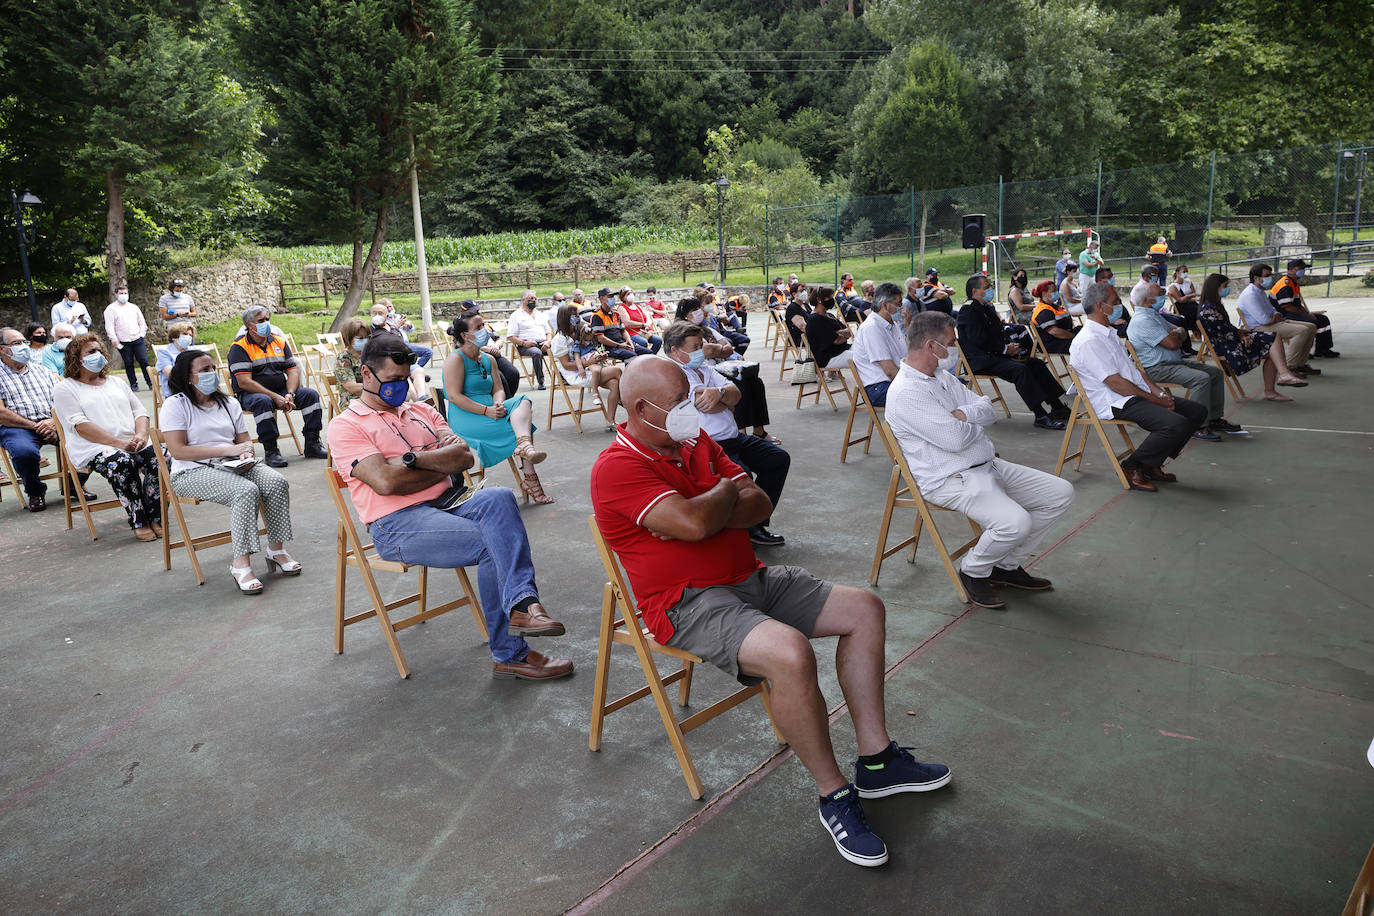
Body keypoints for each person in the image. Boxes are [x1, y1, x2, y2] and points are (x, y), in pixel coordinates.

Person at [591, 356, 951, 868]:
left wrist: (705, 506)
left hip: (751, 579)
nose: (690, 410)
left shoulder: (696, 443)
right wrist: (718, 495)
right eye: (677, 403)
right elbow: (694, 525)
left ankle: (877, 762)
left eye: (691, 395)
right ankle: (835, 796)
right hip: (687, 602)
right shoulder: (617, 466)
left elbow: (758, 503)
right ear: (640, 408)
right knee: (789, 652)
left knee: (864, 609)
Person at [329, 334, 572, 680]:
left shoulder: (423, 411)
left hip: (450, 504)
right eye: (393, 381)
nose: (401, 387)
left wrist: (409, 460)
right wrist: (436, 464)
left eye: (405, 378)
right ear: (367, 375)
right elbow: (386, 483)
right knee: (493, 542)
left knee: (499, 497)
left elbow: (464, 458)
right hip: (396, 523)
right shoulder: (346, 426)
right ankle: (511, 648)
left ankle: (522, 607)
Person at [887, 312, 1076, 609]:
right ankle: (974, 570)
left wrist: (964, 417)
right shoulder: (906, 393)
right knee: (1015, 522)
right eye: (950, 343)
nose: (954, 348)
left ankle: (1006, 565)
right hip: (950, 478)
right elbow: (954, 440)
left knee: (1059, 493)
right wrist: (969, 422)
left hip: (985, 464)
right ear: (930, 345)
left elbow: (987, 408)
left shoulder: (941, 377)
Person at [161, 349, 300, 594]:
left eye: (213, 368)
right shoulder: (175, 405)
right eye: (204, 370)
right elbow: (178, 451)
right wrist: (230, 449)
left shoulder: (228, 402)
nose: (211, 374)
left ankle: (276, 550)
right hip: (191, 472)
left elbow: (244, 439)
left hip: (234, 464)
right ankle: (241, 565)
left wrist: (246, 452)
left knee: (276, 482)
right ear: (188, 377)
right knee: (245, 492)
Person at [1069, 282, 1208, 492]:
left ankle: (1150, 464)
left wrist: (1159, 393)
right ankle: (1131, 466)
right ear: (1100, 306)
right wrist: (1155, 399)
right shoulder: (1089, 340)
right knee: (1175, 424)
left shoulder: (1108, 333)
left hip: (1130, 393)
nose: (1119, 305)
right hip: (1114, 400)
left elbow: (1136, 373)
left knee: (1197, 412)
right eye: (1115, 302)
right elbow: (1115, 383)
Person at [663, 322, 789, 546]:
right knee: (743, 476)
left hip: (733, 438)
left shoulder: (703, 369)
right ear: (675, 350)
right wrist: (724, 398)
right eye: (695, 347)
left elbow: (736, 394)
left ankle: (756, 521)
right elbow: (706, 403)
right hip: (707, 445)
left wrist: (721, 394)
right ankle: (748, 531)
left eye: (701, 345)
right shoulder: (674, 374)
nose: (701, 351)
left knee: (777, 459)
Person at [53, 335, 162, 541]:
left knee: (160, 458)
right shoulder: (65, 388)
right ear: (76, 359)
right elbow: (80, 426)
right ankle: (140, 520)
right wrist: (119, 444)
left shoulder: (116, 382)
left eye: (99, 351)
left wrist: (140, 434)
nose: (98, 355)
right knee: (121, 462)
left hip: (132, 441)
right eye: (91, 352)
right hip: (93, 447)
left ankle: (155, 516)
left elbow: (140, 412)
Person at [442, 313, 554, 505]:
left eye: (483, 325)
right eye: (477, 328)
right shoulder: (456, 359)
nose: (483, 330)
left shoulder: (488, 358)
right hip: (467, 416)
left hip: (492, 409)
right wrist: (486, 411)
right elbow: (454, 396)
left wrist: (498, 402)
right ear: (465, 335)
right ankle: (530, 476)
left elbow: (498, 389)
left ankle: (524, 445)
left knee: (523, 401)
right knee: (521, 426)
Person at [1127, 281, 1246, 440]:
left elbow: (1180, 331)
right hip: (1157, 368)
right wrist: (1178, 334)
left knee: (1215, 373)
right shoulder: (1143, 320)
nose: (1164, 296)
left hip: (1172, 363)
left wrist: (1178, 333)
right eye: (1160, 294)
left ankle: (1213, 418)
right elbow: (1173, 342)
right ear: (1148, 300)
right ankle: (1197, 425)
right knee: (1201, 379)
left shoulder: (1153, 315)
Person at [958, 275, 1069, 429]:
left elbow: (997, 332)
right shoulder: (968, 311)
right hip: (980, 360)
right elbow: (978, 339)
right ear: (975, 291)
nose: (990, 289)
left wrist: (1010, 347)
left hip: (996, 354)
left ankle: (1057, 407)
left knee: (1036, 364)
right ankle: (1041, 415)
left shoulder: (986, 307)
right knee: (1020, 370)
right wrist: (1005, 349)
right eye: (986, 287)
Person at [226, 304, 328, 466]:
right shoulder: (239, 347)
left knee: (310, 395)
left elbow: (292, 371)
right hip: (251, 394)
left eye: (267, 319)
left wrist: (290, 394)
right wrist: (275, 397)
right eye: (261, 320)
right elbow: (244, 382)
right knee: (263, 401)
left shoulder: (279, 341)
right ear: (249, 325)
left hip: (281, 390)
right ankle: (271, 450)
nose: (266, 323)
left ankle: (312, 443)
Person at [675, 297, 777, 443]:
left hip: (723, 367)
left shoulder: (707, 329)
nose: (699, 312)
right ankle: (740, 430)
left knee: (756, 383)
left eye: (699, 308)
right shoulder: (682, 334)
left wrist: (716, 349)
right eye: (694, 310)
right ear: (685, 314)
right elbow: (707, 351)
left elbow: (728, 347)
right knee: (741, 385)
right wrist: (717, 349)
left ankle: (759, 430)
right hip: (706, 370)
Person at [1195, 273, 1307, 401]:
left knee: (1273, 350)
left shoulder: (1215, 304)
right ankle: (1284, 374)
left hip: (1231, 340)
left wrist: (1241, 333)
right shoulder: (1208, 308)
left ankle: (1271, 390)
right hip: (1227, 347)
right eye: (1225, 286)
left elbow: (1226, 328)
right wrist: (1241, 335)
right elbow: (1222, 331)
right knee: (1273, 338)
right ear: (1215, 288)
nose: (1227, 289)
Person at [0, 326, 60, 511]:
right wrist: (36, 426)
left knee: (83, 440)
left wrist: (53, 422)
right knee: (24, 452)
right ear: (2, 349)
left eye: (24, 342)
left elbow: (65, 395)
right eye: (16, 343)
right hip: (17, 427)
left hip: (50, 422)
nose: (23, 346)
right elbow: (1, 413)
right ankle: (35, 491)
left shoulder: (41, 370)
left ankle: (74, 485)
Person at [1237, 263, 1318, 378]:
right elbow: (1264, 320)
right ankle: (1290, 366)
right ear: (1256, 278)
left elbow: (1274, 310)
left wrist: (1275, 316)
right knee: (1302, 331)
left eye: (1270, 275)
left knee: (1311, 327)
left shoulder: (1259, 291)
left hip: (1272, 322)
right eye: (1266, 276)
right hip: (1258, 327)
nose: (1270, 278)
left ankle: (1300, 363)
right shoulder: (1250, 294)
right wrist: (1274, 317)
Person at [550, 303, 622, 428]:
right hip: (577, 373)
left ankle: (610, 421)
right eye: (574, 315)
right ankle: (627, 398)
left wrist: (600, 357)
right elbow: (567, 365)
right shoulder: (560, 339)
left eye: (577, 314)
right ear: (566, 318)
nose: (578, 317)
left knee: (614, 383)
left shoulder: (578, 331)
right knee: (617, 371)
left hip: (590, 367)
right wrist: (589, 362)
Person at [851, 282, 907, 406]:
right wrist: (915, 382)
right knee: (926, 393)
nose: (901, 308)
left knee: (948, 383)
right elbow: (890, 371)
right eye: (898, 304)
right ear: (885, 305)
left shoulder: (892, 324)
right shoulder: (872, 328)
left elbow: (907, 357)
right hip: (878, 388)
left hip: (893, 382)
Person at [1269, 259, 1338, 358]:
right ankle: (1304, 351)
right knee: (1312, 322)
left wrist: (1307, 313)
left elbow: (1296, 304)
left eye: (1304, 268)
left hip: (1291, 313)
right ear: (1291, 270)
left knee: (1323, 319)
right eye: (1300, 269)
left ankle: (1323, 349)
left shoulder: (1293, 283)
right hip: (1283, 315)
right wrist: (1307, 314)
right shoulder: (1285, 285)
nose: (1303, 271)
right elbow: (1288, 307)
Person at [454, 301, 522, 394]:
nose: (476, 313)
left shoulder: (484, 324)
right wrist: (487, 349)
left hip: (495, 354)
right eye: (473, 312)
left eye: (477, 311)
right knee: (500, 378)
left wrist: (496, 347)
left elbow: (498, 338)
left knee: (513, 374)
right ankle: (504, 402)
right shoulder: (461, 326)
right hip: (480, 357)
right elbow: (460, 345)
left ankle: (507, 399)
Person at [368, 304, 428, 398]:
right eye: (374, 313)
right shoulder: (370, 331)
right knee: (405, 378)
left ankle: (423, 397)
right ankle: (419, 402)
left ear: (386, 316)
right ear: (370, 315)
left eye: (380, 313)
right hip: (385, 364)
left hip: (402, 360)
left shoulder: (393, 328)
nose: (377, 316)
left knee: (419, 371)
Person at [103, 284, 154, 391]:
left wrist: (141, 335)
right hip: (123, 341)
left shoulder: (133, 307)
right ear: (116, 294)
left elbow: (142, 322)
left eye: (125, 293)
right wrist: (114, 340)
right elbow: (110, 326)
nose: (123, 295)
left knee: (144, 361)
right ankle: (133, 384)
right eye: (121, 293)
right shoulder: (111, 309)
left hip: (137, 339)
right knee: (128, 363)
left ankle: (150, 382)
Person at [507, 289, 553, 388]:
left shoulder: (540, 314)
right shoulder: (516, 316)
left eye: (535, 298)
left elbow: (548, 332)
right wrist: (524, 343)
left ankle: (563, 378)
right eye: (530, 298)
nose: (533, 300)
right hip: (525, 346)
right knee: (536, 352)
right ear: (523, 300)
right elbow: (510, 336)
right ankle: (541, 382)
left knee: (561, 347)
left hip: (543, 343)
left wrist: (548, 341)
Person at [803, 287, 854, 371]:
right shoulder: (815, 320)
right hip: (828, 357)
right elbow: (836, 340)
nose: (831, 300)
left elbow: (849, 332)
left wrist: (837, 333)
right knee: (863, 358)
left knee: (867, 350)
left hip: (841, 350)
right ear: (819, 300)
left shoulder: (830, 316)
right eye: (829, 297)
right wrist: (840, 335)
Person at [590, 287, 646, 360]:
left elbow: (623, 331)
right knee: (633, 356)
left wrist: (629, 341)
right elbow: (600, 338)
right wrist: (619, 345)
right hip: (609, 348)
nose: (612, 299)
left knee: (648, 353)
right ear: (601, 299)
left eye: (613, 297)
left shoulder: (616, 314)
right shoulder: (597, 316)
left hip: (622, 344)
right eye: (610, 297)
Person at [332, 317, 372, 412]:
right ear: (348, 338)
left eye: (367, 337)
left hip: (373, 399)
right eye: (360, 338)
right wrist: (378, 387)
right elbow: (352, 387)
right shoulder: (344, 359)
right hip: (353, 403)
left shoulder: (371, 354)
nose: (364, 340)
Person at [614, 287, 661, 356]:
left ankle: (651, 357)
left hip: (643, 331)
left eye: (631, 293)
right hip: (631, 333)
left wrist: (648, 323)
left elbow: (645, 317)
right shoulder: (622, 308)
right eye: (628, 294)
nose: (631, 295)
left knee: (658, 340)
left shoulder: (637, 306)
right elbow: (627, 323)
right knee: (643, 342)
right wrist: (643, 325)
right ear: (623, 297)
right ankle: (642, 360)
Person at [155, 321, 197, 398]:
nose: (188, 337)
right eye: (185, 334)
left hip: (195, 391)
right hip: (175, 394)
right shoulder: (164, 352)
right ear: (175, 336)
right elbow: (171, 375)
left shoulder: (194, 351)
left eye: (190, 335)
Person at [1031, 285, 1076, 353]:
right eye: (1053, 291)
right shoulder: (1043, 311)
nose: (1056, 293)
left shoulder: (1053, 306)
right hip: (1052, 343)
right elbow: (1054, 332)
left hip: (1061, 337)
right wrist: (1073, 336)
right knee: (1083, 344)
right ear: (1044, 293)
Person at [1166, 264, 1202, 337]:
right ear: (1177, 273)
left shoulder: (1188, 282)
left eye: (1187, 272)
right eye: (1184, 272)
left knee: (1202, 307)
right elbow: (1180, 300)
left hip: (1190, 302)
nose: (1185, 273)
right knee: (1196, 309)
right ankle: (1196, 330)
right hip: (1180, 306)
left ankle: (1199, 330)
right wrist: (1190, 296)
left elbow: (1194, 294)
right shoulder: (1173, 286)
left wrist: (1191, 298)